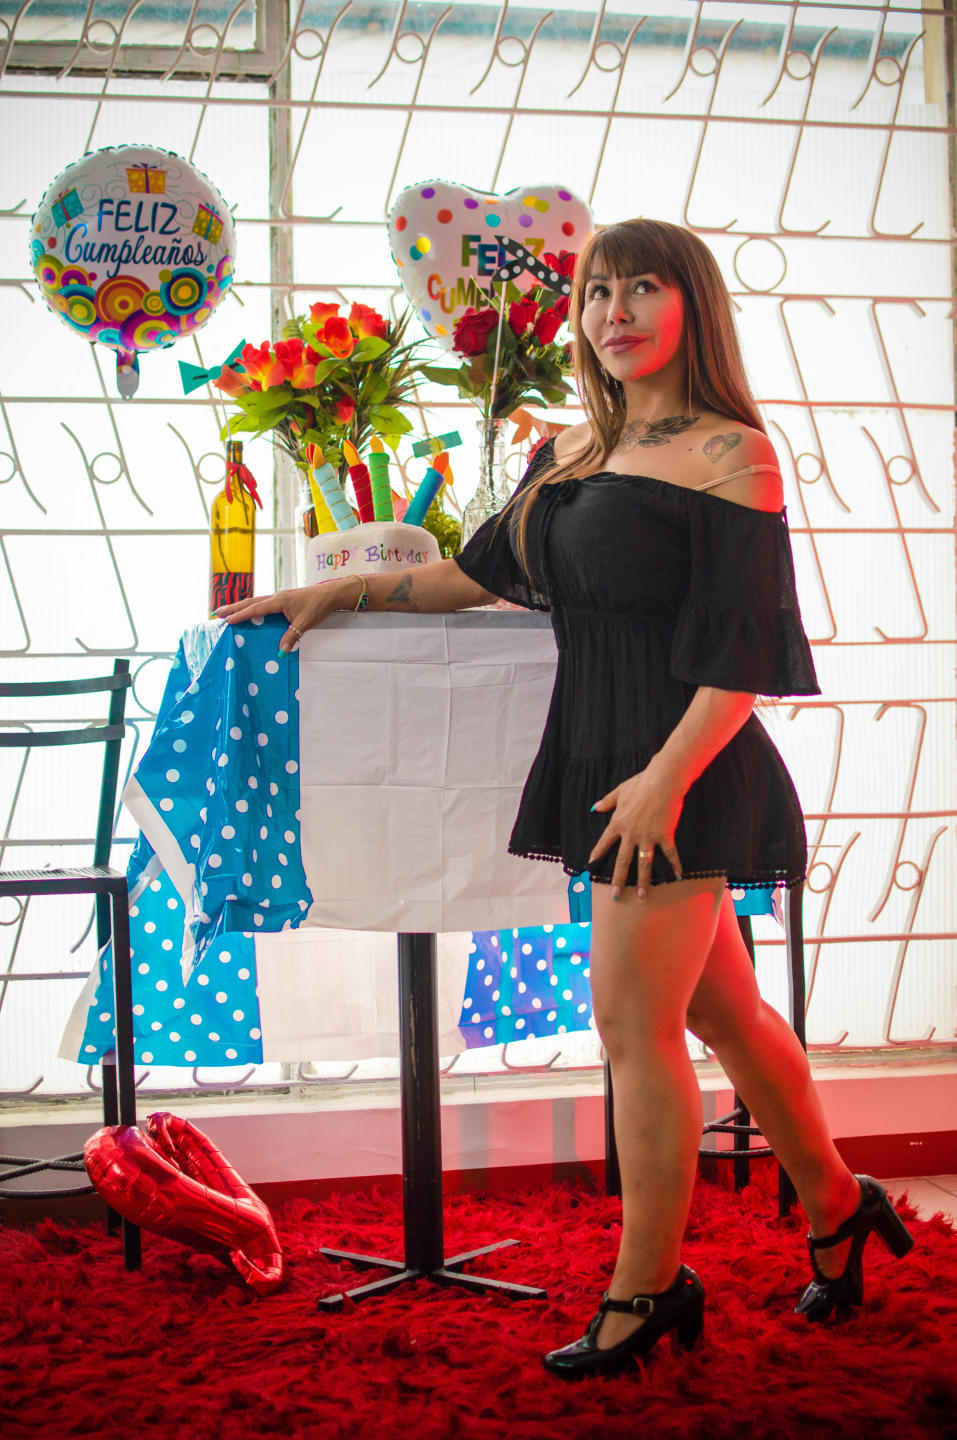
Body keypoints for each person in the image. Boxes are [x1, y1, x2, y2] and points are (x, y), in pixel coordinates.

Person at [218, 218, 914, 1377]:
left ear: (691, 306)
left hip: (680, 771)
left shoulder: (732, 452)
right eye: (598, 292)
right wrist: (341, 593)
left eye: (642, 289)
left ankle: (649, 1289)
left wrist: (663, 783)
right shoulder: (575, 450)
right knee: (724, 1015)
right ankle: (841, 1207)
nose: (615, 313)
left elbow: (743, 655)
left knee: (634, 1030)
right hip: (606, 764)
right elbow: (472, 573)